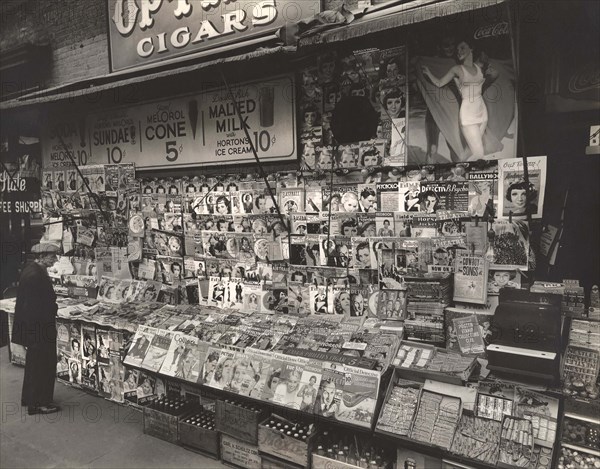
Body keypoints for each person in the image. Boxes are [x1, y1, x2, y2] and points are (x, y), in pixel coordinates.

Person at [422, 38, 499, 159]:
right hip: (468, 115)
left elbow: (494, 75)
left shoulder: (479, 67)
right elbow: (439, 83)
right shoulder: (456, 69)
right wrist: (428, 73)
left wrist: (491, 73)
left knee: (473, 150)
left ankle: (460, 166)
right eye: (457, 50)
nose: (459, 51)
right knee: (479, 152)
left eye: (462, 48)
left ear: (471, 48)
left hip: (483, 112)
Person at [12, 242, 61, 415]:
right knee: (44, 365)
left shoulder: (32, 270)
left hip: (36, 328)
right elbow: (34, 307)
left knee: (34, 365)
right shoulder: (35, 275)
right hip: (40, 329)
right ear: (41, 257)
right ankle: (41, 403)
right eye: (52, 256)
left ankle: (30, 399)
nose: (55, 260)